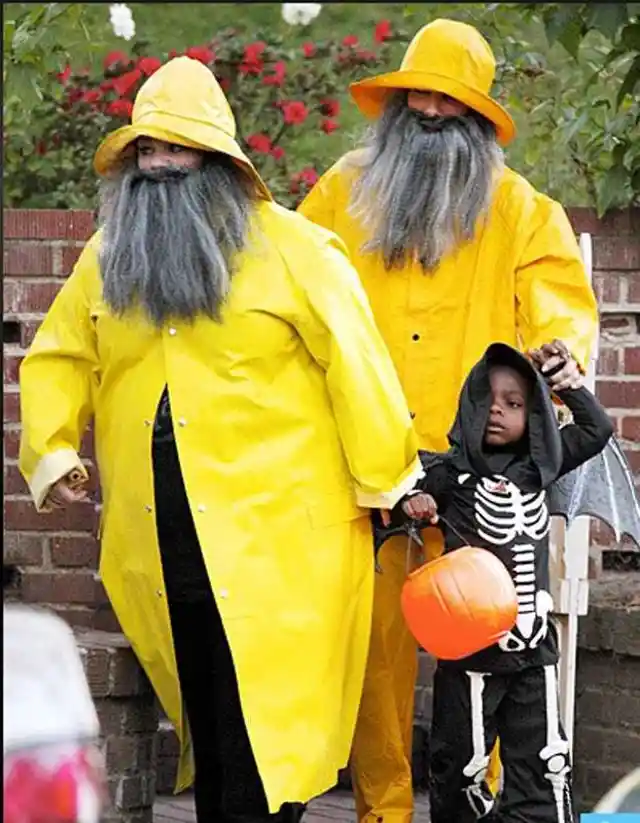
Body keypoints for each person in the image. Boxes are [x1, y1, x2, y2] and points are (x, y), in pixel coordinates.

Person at [18, 57, 424, 823]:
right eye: (147, 150)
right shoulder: (110, 258)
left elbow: (358, 364)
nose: (160, 166)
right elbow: (59, 355)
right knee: (208, 714)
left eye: (178, 149)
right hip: (164, 538)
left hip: (281, 547)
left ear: (218, 162)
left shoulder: (297, 251)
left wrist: (391, 478)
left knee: (263, 731)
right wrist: (54, 448)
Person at [298, 17, 599, 823]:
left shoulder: (520, 209)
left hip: (482, 474)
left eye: (448, 102)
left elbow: (558, 308)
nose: (429, 113)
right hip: (369, 468)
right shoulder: (339, 191)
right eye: (418, 97)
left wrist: (557, 353)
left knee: (490, 646)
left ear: (478, 121)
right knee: (377, 658)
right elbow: (294, 290)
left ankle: (485, 804)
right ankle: (384, 810)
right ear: (396, 105)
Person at [394, 340, 613, 822]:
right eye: (488, 401)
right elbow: (400, 496)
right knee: (459, 767)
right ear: (470, 405)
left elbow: (598, 429)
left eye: (514, 403)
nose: (498, 411)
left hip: (533, 649)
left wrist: (563, 381)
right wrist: (414, 503)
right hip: (470, 651)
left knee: (547, 762)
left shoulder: (541, 469)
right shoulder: (450, 474)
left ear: (533, 414)